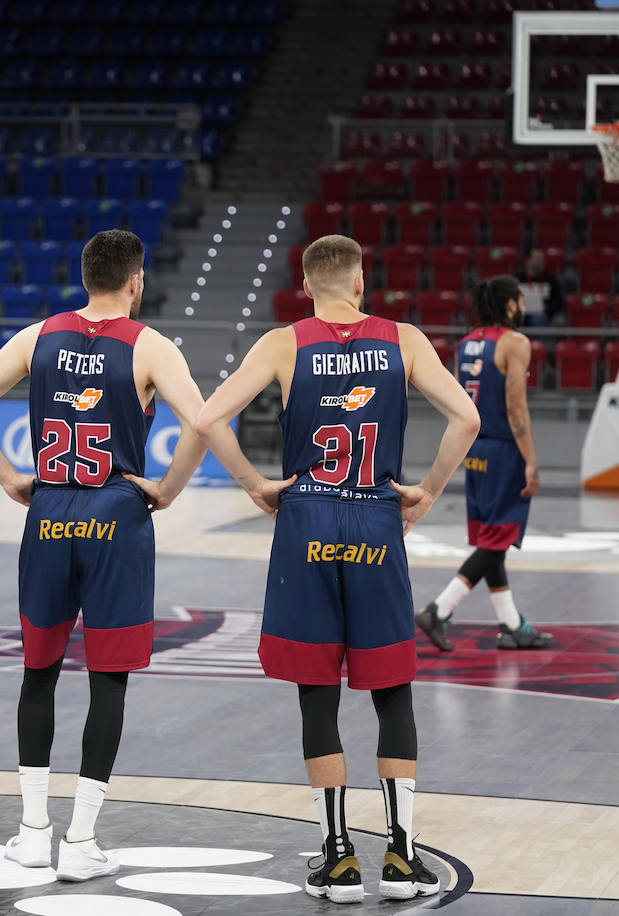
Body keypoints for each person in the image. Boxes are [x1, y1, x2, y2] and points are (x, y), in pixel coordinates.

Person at [195, 235, 479, 904]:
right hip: (377, 521)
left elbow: (208, 418)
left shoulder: (282, 343)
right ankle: (404, 858)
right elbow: (466, 417)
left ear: (306, 285)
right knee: (393, 691)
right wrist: (429, 490)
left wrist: (257, 486)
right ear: (359, 283)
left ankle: (338, 856)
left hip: (308, 522)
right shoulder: (403, 340)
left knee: (316, 692)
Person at [0, 229, 207, 882]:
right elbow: (202, 422)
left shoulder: (39, 337)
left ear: (85, 277)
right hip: (116, 512)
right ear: (135, 281)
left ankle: (33, 831)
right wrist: (169, 489)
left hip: (50, 509)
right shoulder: (149, 345)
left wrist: (9, 475)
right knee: (106, 677)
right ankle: (80, 840)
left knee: (39, 672)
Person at [416, 275, 553, 652]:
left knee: (492, 539)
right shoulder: (515, 342)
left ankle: (511, 626)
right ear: (509, 304)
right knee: (496, 541)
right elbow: (515, 406)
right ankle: (438, 611)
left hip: (474, 448)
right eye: (521, 300)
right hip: (503, 449)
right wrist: (531, 461)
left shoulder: (467, 343)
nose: (524, 307)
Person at [516, 248, 565, 327]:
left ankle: (538, 340)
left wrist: (546, 307)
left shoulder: (551, 280)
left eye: (542, 259)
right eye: (537, 259)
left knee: (538, 317)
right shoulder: (517, 279)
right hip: (522, 315)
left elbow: (559, 303)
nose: (540, 262)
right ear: (528, 260)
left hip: (543, 316)